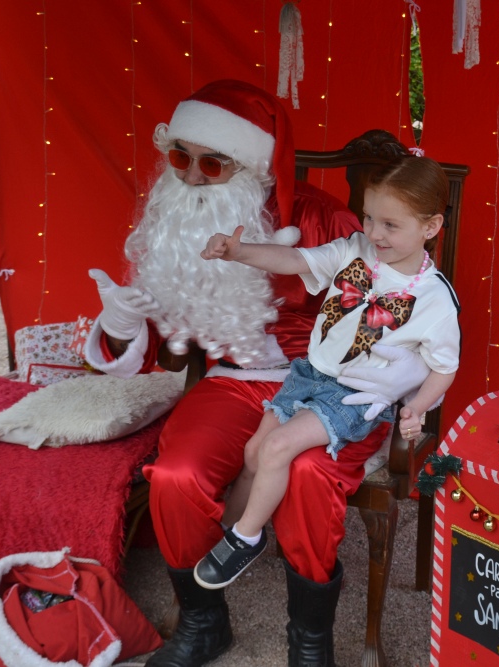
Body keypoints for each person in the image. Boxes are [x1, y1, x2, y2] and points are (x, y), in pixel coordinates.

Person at [82, 80, 431, 667]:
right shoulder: (177, 225)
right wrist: (119, 318)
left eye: (212, 162)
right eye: (179, 157)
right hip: (230, 381)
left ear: (250, 166)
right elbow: (154, 350)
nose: (190, 177)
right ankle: (202, 623)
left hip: (332, 386)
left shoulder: (324, 220)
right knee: (173, 474)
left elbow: (389, 316)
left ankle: (310, 641)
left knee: (310, 474)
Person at [193, 156, 461, 590]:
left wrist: (418, 406)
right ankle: (225, 530)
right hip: (309, 375)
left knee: (278, 447)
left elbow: (445, 367)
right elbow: (293, 258)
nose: (375, 233)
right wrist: (240, 252)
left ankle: (247, 538)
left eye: (391, 225)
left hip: (355, 396)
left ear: (430, 227)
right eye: (370, 218)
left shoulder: (435, 299)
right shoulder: (355, 249)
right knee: (255, 451)